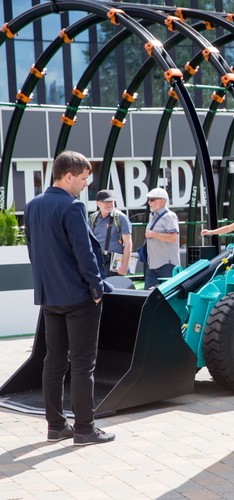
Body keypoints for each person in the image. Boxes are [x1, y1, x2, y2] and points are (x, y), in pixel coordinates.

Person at [24, 150, 116, 446]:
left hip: (49, 297)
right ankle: (85, 429)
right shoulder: (73, 207)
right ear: (68, 176)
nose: (86, 184)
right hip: (79, 297)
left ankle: (55, 426)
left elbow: (33, 251)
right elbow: (84, 253)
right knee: (82, 364)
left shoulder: (33, 206)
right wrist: (97, 288)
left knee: (53, 362)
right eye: (84, 178)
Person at [143, 187, 180, 289]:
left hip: (167, 265)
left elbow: (173, 238)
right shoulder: (152, 216)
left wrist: (153, 234)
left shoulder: (170, 216)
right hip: (152, 265)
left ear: (162, 201)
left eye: (152, 200)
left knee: (168, 298)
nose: (149, 202)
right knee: (147, 296)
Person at [90, 189, 132, 276]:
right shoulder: (92, 218)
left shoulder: (120, 217)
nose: (109, 204)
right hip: (97, 259)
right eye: (106, 202)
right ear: (97, 203)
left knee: (112, 287)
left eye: (111, 201)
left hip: (114, 260)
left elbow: (128, 243)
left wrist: (124, 265)